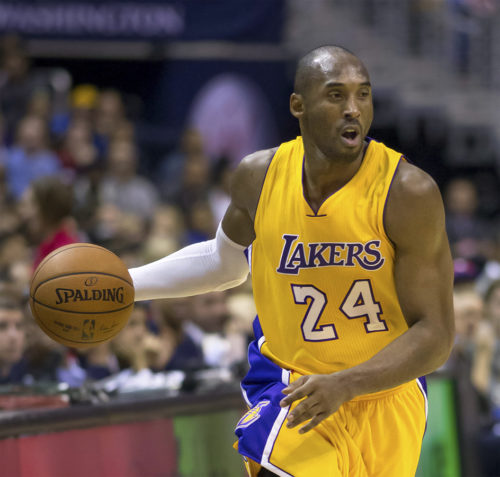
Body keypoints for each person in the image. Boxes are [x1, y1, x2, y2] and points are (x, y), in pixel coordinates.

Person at [129, 45, 455, 476]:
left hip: (386, 395)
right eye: (336, 95)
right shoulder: (259, 176)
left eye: (364, 95)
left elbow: (436, 335)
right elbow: (223, 262)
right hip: (292, 388)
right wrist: (125, 283)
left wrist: (347, 383)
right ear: (298, 106)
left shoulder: (407, 193)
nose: (354, 109)